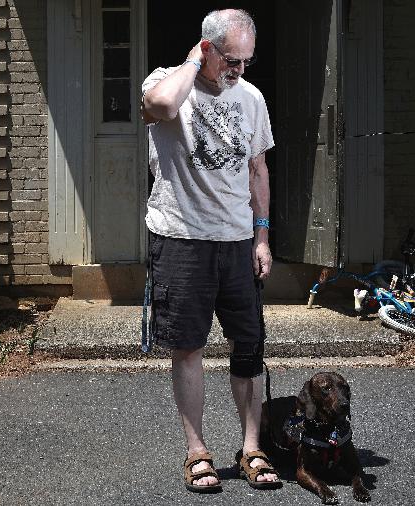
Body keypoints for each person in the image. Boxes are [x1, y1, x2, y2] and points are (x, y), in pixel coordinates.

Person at [140, 8, 281, 494]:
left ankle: (251, 447)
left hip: (237, 240)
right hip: (181, 238)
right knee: (188, 348)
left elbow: (258, 170)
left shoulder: (253, 98)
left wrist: (262, 236)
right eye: (230, 60)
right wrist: (192, 66)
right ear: (206, 48)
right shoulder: (165, 81)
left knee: (249, 345)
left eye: (246, 61)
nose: (238, 70)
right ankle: (197, 451)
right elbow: (160, 107)